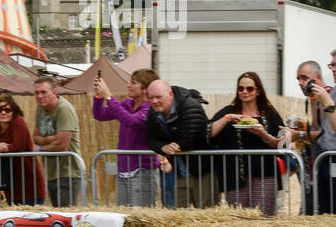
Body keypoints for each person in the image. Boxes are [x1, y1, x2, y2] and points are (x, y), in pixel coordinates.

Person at [208, 71, 285, 215]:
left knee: (264, 219)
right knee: (238, 222)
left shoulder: (269, 114)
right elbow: (208, 132)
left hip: (265, 175)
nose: (244, 92)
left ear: (258, 91)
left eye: (249, 88)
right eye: (240, 88)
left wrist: (263, 134)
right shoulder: (229, 112)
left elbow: (282, 144)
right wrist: (227, 118)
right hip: (235, 177)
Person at [93, 68, 160, 206]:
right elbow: (100, 115)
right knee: (122, 216)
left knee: (140, 218)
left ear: (145, 89)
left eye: (133, 83)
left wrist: (110, 97)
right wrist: (99, 96)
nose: (128, 85)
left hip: (142, 171)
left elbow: (130, 121)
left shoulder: (150, 109)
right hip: (123, 170)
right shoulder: (127, 103)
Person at [146, 79, 212, 208]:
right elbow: (151, 139)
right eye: (151, 97)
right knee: (178, 214)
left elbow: (192, 135)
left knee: (206, 213)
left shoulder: (190, 105)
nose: (154, 101)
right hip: (179, 171)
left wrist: (178, 144)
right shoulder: (153, 112)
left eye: (158, 97)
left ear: (171, 94)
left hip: (201, 170)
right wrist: (163, 147)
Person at [32, 77, 83, 207]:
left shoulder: (64, 109)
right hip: (51, 172)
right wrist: (51, 138)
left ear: (54, 92)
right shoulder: (40, 109)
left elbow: (62, 145)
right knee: (56, 216)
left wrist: (40, 149)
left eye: (44, 92)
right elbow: (35, 137)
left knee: (65, 218)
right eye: (37, 93)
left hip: (68, 172)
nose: (40, 96)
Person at [294, 58, 336, 214]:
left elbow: (324, 132)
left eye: (304, 78)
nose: (300, 82)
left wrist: (298, 134)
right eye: (298, 78)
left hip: (331, 157)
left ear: (317, 77)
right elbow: (317, 128)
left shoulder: (330, 95)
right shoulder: (314, 98)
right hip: (320, 159)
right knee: (323, 208)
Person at [0, 96, 45, 206]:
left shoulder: (19, 122)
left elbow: (18, 146)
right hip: (10, 186)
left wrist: (0, 148)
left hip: (29, 184)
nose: (3, 113)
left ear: (14, 111)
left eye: (7, 110)